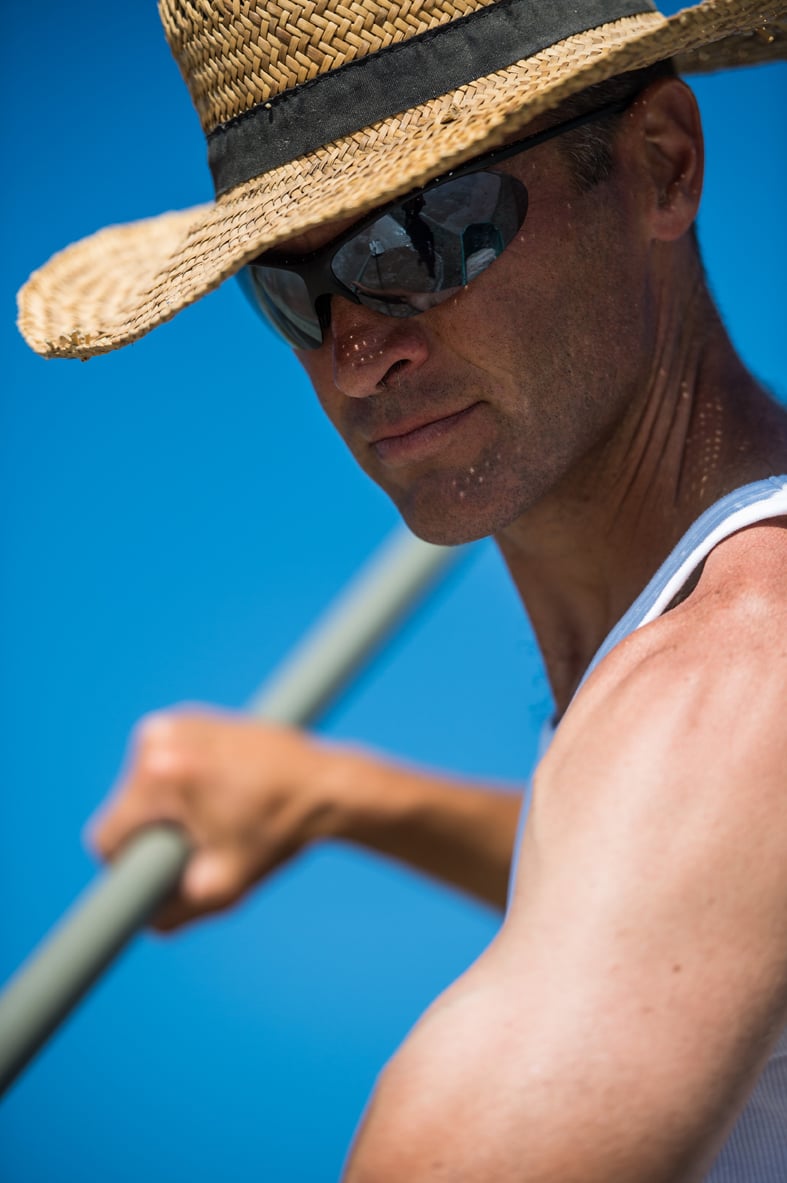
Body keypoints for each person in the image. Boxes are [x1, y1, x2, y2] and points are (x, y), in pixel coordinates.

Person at [17, 1, 787, 1179]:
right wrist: (349, 797)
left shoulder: (734, 675)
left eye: (419, 240)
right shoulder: (691, 729)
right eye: (292, 290)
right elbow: (661, 892)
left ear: (660, 167)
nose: (356, 352)